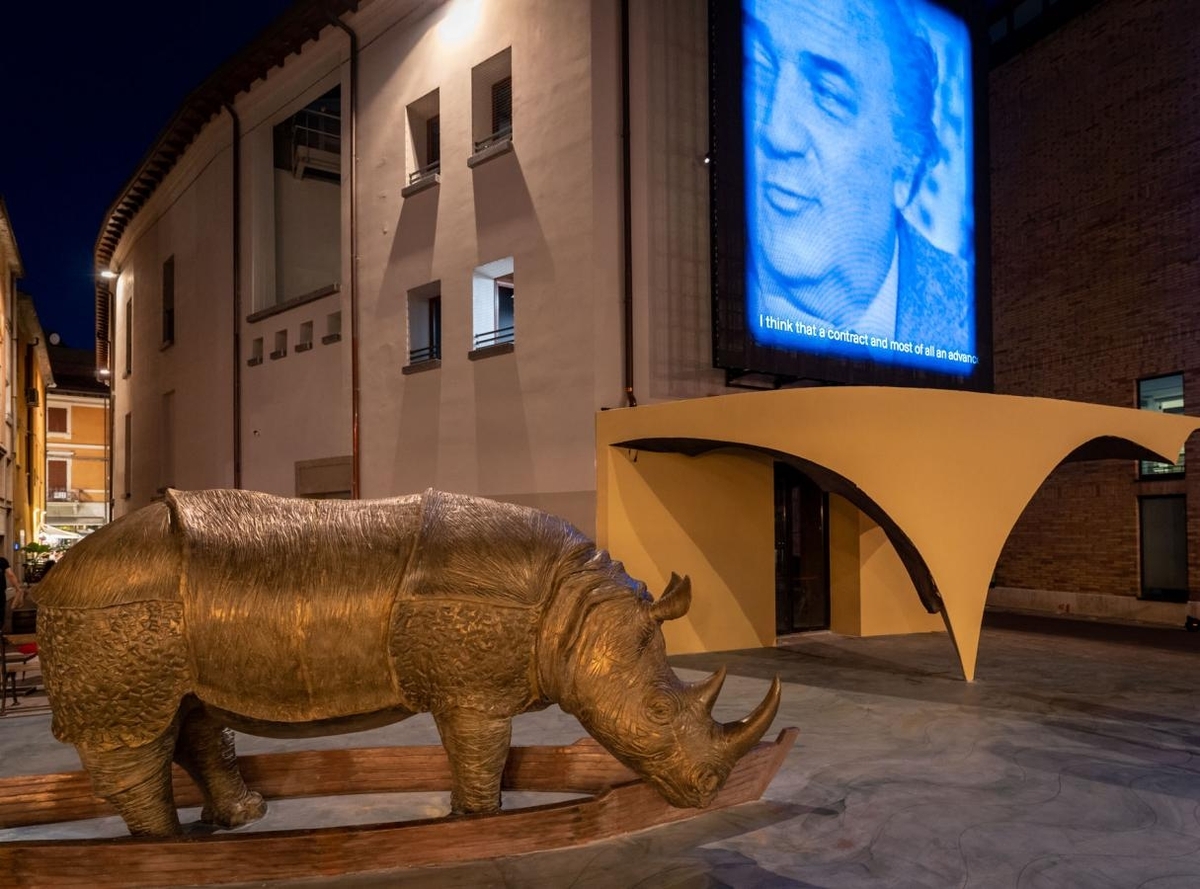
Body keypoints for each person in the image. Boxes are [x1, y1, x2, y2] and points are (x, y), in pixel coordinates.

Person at [744, 0, 971, 353]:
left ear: (907, 169)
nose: (777, 132)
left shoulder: (966, 309)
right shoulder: (705, 278)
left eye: (828, 94)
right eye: (758, 68)